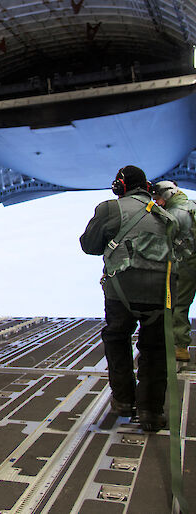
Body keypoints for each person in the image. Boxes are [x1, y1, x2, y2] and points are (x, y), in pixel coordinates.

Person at [80, 165, 177, 432]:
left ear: (119, 187)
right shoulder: (164, 214)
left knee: (117, 338)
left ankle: (123, 400)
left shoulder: (110, 209)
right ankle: (151, 412)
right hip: (160, 293)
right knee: (155, 349)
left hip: (121, 291)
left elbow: (89, 245)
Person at [152, 180, 196, 363]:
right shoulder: (192, 205)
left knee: (178, 306)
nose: (157, 203)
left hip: (186, 265)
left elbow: (164, 244)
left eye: (158, 199)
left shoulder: (173, 214)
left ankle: (180, 347)